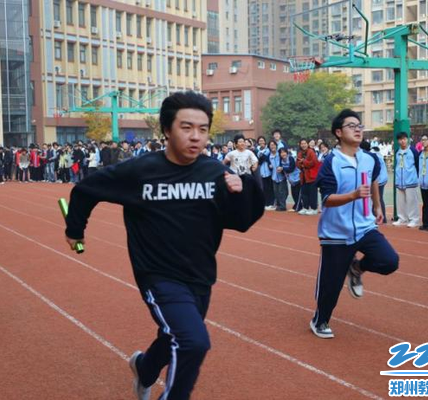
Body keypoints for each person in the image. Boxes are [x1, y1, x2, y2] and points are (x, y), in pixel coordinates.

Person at [64, 91, 264, 400]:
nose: (196, 136)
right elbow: (86, 189)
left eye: (202, 129)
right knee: (193, 342)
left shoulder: (215, 173)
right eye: (186, 127)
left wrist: (244, 190)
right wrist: (76, 229)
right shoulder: (140, 171)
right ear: (167, 130)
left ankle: (144, 368)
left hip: (200, 274)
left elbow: (240, 221)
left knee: (173, 335)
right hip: (157, 274)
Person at [311, 109, 399, 339]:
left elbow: (374, 181)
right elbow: (327, 199)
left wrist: (377, 206)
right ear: (338, 133)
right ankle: (320, 320)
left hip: (364, 227)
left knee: (389, 261)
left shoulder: (370, 159)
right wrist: (352, 195)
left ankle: (357, 268)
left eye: (359, 125)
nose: (358, 129)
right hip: (336, 232)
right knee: (331, 285)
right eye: (351, 126)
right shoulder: (331, 162)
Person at [393, 132, 421, 228]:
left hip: (411, 180)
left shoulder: (413, 150)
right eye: (400, 139)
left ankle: (414, 219)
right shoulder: (397, 151)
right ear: (398, 141)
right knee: (400, 201)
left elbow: (418, 164)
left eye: (404, 139)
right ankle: (402, 218)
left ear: (407, 139)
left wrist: (415, 177)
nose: (403, 141)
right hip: (399, 180)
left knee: (412, 201)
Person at [296, 138, 320, 215]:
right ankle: (305, 207)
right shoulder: (300, 153)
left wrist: (304, 162)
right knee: (304, 193)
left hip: (311, 176)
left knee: (312, 193)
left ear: (307, 144)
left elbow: (313, 162)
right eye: (302, 144)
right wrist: (302, 164)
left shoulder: (311, 152)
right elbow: (297, 163)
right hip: (303, 176)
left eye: (305, 143)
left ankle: (314, 208)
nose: (303, 145)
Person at [256, 137, 275, 210]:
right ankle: (266, 203)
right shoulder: (258, 151)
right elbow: (259, 161)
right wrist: (262, 157)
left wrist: (262, 157)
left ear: (264, 141)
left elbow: (267, 159)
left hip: (269, 171)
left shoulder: (268, 150)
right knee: (265, 188)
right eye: (260, 141)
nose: (261, 142)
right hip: (262, 172)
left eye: (262, 140)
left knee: (270, 188)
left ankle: (271, 203)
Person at [269, 142, 287, 211]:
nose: (272, 146)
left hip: (281, 176)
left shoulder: (280, 154)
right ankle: (279, 205)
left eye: (274, 145)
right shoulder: (269, 156)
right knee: (276, 192)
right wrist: (269, 166)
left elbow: (285, 160)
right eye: (271, 145)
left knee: (282, 191)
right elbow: (269, 164)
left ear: (276, 146)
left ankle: (283, 206)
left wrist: (282, 168)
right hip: (274, 176)